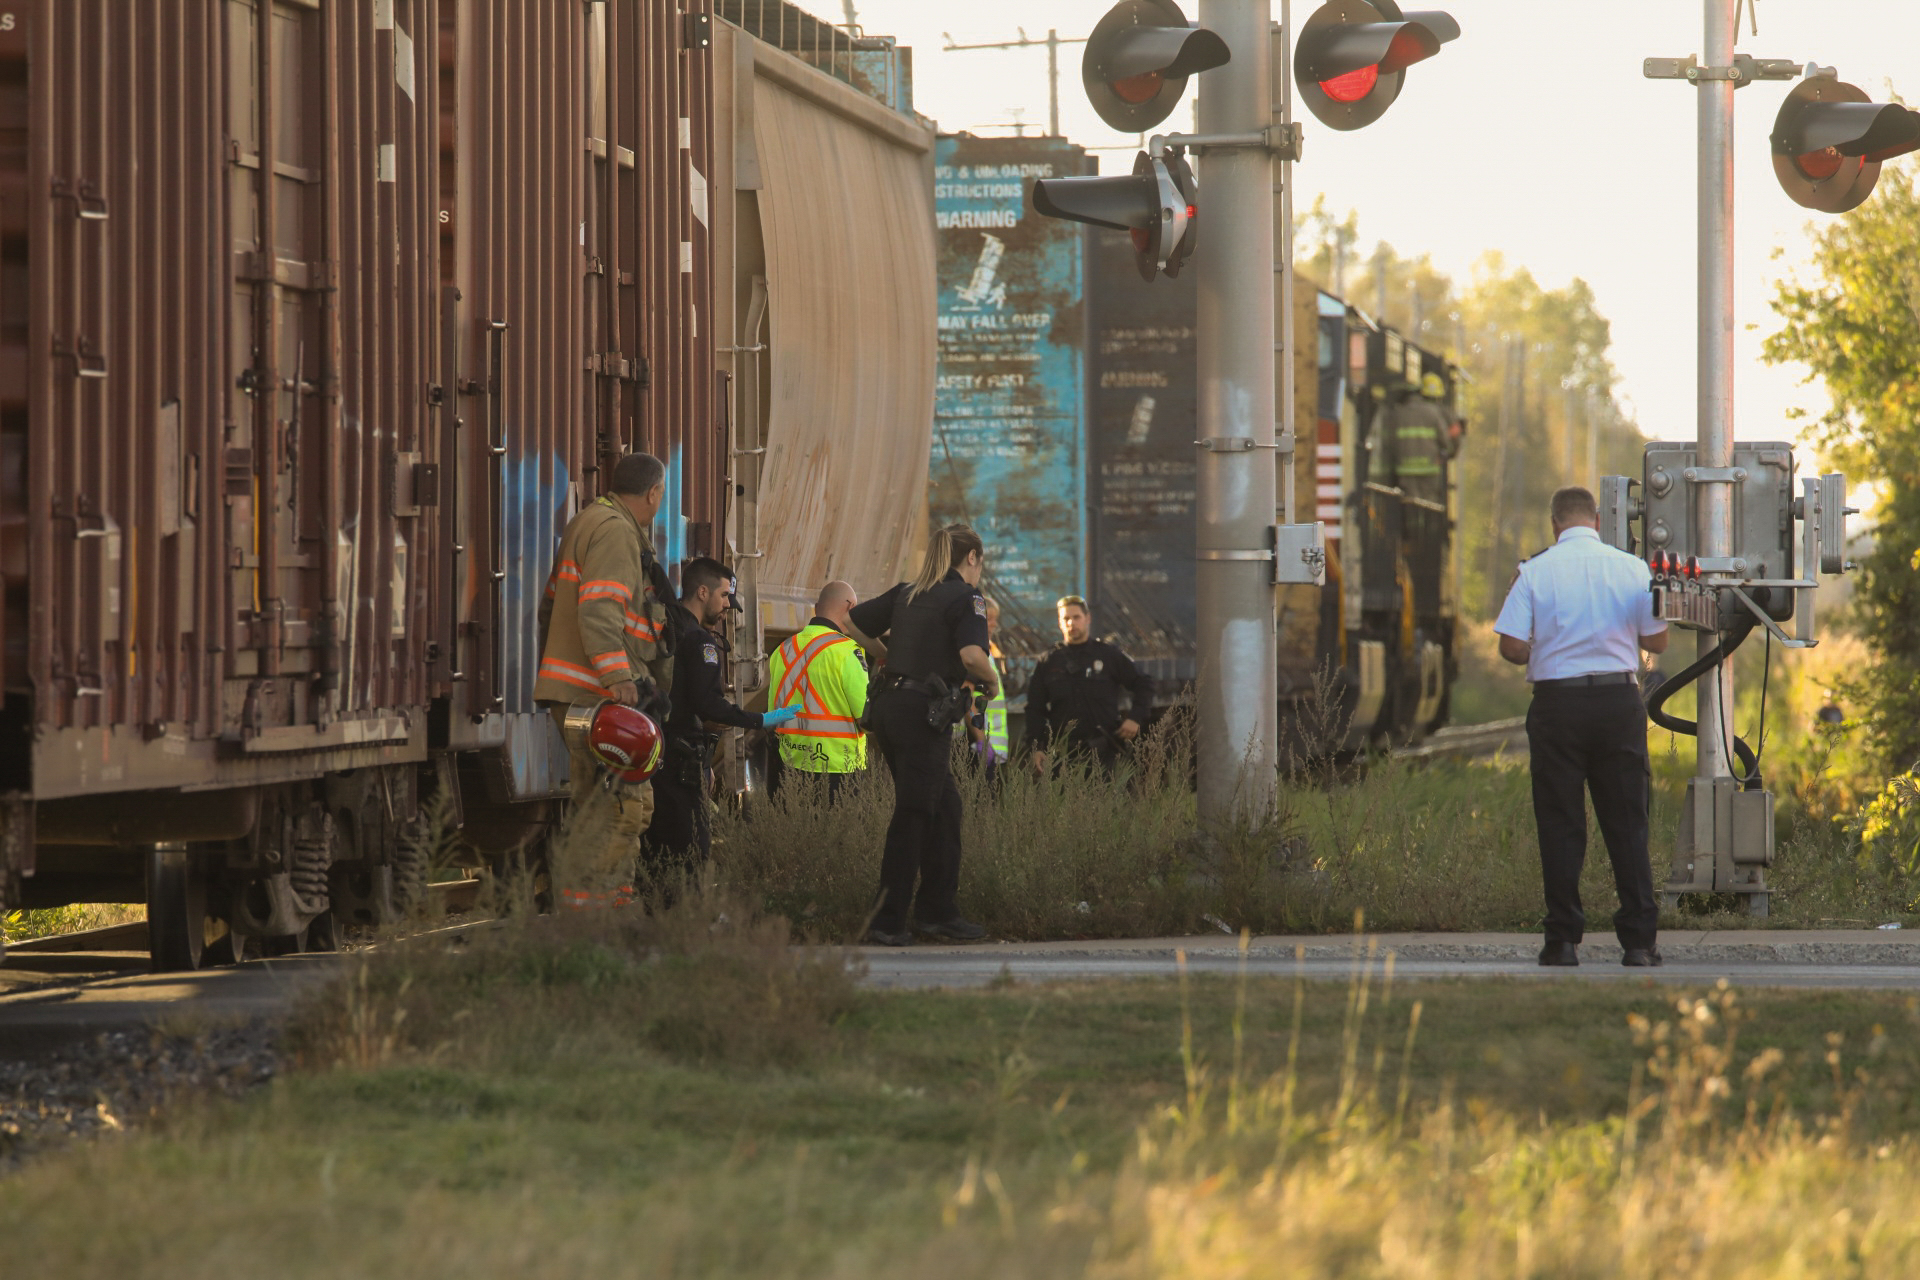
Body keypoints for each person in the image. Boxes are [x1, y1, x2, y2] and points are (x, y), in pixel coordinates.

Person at [1495, 485, 1670, 968]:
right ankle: (1638, 942)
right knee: (1628, 823)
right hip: (1618, 702)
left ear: (1554, 524)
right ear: (1596, 520)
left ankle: (1562, 941)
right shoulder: (1633, 568)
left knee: (1560, 823)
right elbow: (1658, 638)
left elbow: (1510, 647)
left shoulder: (1535, 571)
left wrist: (1547, 649)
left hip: (1558, 707)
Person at [847, 524, 999, 947]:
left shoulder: (907, 592)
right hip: (922, 715)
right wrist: (992, 682)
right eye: (980, 562)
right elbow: (972, 655)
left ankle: (938, 912)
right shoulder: (967, 598)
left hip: (891, 711)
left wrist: (887, 654)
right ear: (972, 558)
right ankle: (887, 921)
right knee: (914, 814)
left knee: (945, 807)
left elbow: (850, 622)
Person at [534, 452, 676, 897]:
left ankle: (589, 908)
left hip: (578, 693)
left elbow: (550, 607)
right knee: (619, 811)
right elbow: (599, 609)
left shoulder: (588, 522)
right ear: (653, 493)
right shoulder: (615, 533)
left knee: (604, 806)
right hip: (597, 694)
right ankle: (599, 917)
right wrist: (618, 677)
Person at [644, 557, 798, 877]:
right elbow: (708, 704)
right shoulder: (700, 640)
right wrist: (761, 720)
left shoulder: (669, 630)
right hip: (680, 761)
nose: (728, 605)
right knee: (689, 854)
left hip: (657, 755)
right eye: (725, 595)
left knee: (658, 853)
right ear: (703, 592)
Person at [766, 580, 870, 805]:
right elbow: (866, 718)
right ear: (851, 608)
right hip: (839, 774)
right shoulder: (846, 652)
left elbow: (774, 715)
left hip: (789, 768)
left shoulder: (782, 651)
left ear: (816, 608)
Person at [1025, 595, 1154, 775]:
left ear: (1088, 619)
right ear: (1059, 622)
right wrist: (1037, 747)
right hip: (1063, 756)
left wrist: (1135, 718)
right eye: (1066, 619)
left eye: (1076, 617)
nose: (1071, 623)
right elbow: (1035, 708)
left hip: (1104, 754)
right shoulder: (1049, 661)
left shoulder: (1108, 655)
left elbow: (1143, 683)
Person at [961, 597, 1012, 786]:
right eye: (988, 619)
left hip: (991, 750)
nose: (994, 624)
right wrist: (982, 741)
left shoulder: (986, 652)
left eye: (995, 619)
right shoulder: (976, 655)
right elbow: (966, 697)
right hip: (979, 749)